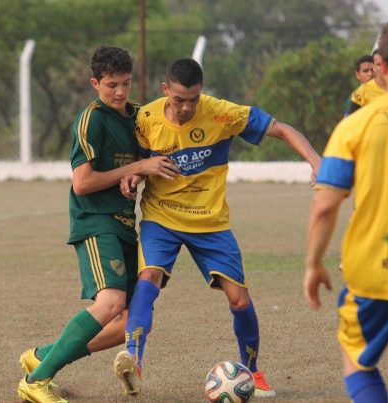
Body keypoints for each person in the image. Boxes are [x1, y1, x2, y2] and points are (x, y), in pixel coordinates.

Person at [112, 58, 321, 398]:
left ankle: (252, 373)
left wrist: (316, 161)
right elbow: (140, 161)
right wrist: (135, 175)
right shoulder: (146, 119)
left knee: (239, 301)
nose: (187, 107)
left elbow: (282, 129)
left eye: (193, 99)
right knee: (148, 278)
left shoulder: (222, 113)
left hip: (210, 223)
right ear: (166, 91)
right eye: (179, 99)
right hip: (161, 217)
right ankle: (133, 362)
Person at [17, 45, 180, 403]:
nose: (120, 93)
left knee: (131, 322)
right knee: (110, 303)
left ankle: (43, 356)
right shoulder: (91, 120)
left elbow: (147, 163)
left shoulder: (138, 116)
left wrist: (137, 176)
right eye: (111, 85)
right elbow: (82, 182)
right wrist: (135, 169)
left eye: (125, 83)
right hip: (95, 221)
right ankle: (36, 381)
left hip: (125, 225)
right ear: (95, 83)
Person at [304, 12, 388, 403]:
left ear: (384, 66)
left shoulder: (355, 125)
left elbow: (325, 205)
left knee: (356, 358)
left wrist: (313, 264)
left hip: (376, 268)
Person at [346, 50, 386, 115]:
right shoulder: (358, 95)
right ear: (357, 75)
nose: (370, 74)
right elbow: (347, 119)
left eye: (372, 70)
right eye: (365, 71)